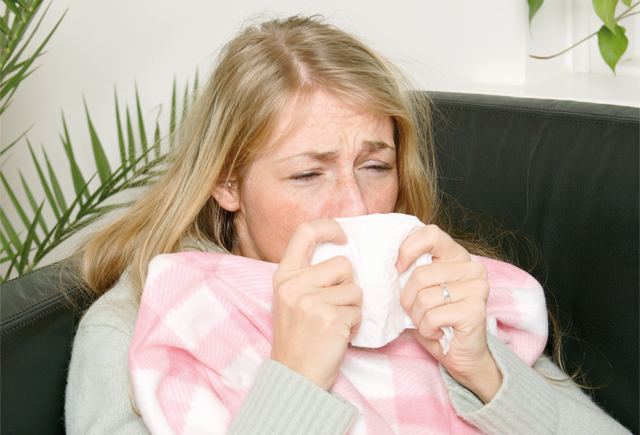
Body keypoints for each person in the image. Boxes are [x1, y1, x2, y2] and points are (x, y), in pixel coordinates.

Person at [65, 15, 631, 435]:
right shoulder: (137, 325)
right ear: (227, 182)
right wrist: (296, 378)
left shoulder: (440, 287)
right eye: (308, 174)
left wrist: (483, 368)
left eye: (376, 166)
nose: (357, 208)